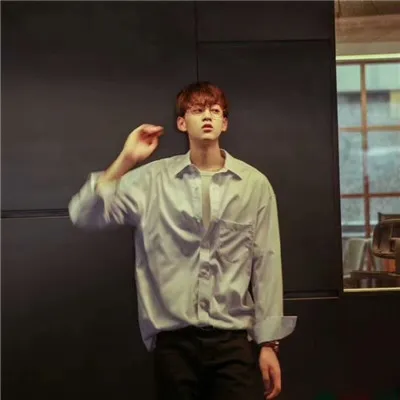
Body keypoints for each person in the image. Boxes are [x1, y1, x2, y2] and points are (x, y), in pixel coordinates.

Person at [69, 81, 297, 400]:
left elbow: (267, 265)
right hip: (173, 344)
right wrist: (126, 159)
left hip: (233, 341)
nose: (207, 116)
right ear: (181, 122)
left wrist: (269, 344)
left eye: (215, 110)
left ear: (225, 123)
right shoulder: (152, 181)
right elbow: (84, 215)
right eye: (197, 109)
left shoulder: (254, 185)